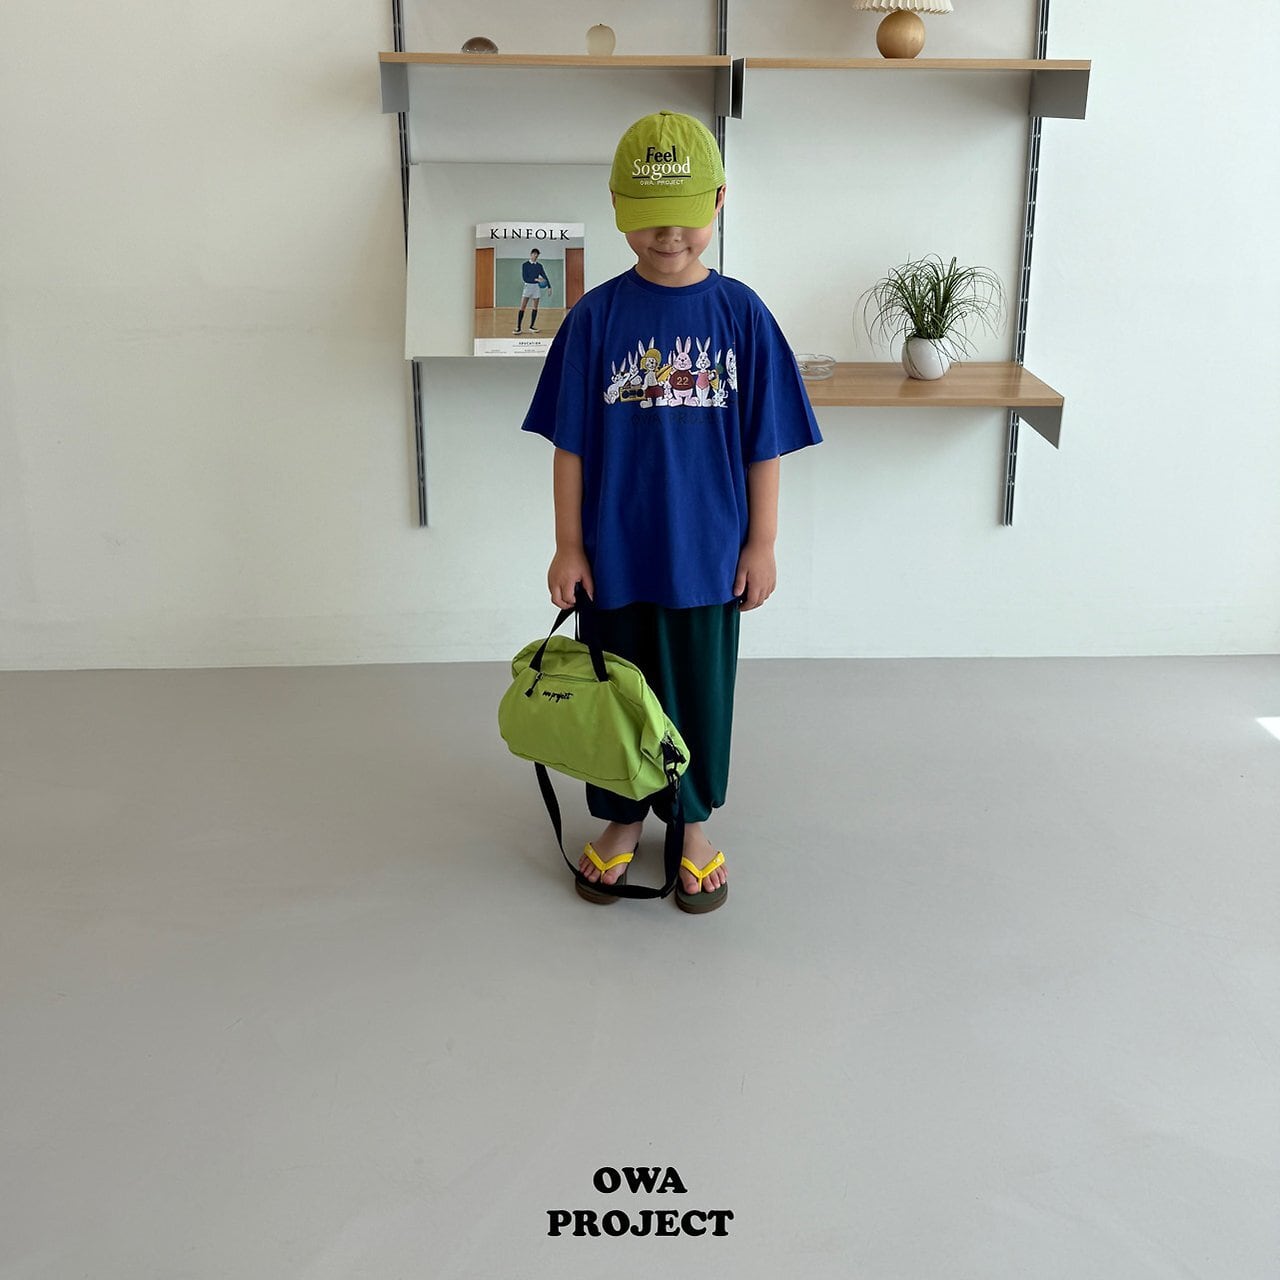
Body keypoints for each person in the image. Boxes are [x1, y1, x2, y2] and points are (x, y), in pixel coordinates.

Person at [520, 110, 822, 913]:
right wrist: (568, 546)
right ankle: (623, 815)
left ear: (719, 200)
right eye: (649, 216)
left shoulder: (742, 316)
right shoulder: (594, 320)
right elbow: (570, 447)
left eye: (685, 213)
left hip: (708, 557)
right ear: (618, 207)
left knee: (697, 694)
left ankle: (690, 823)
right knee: (617, 690)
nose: (668, 235)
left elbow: (765, 445)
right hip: (615, 556)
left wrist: (762, 543)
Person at [514, 248, 551, 333]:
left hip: (536, 288)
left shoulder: (539, 266)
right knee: (522, 307)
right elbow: (525, 278)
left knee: (535, 307)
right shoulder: (525, 265)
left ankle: (531, 326)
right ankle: (518, 328)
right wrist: (536, 279)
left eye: (537, 255)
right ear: (531, 254)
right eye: (534, 254)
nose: (535, 256)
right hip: (528, 287)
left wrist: (549, 287)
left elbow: (544, 276)